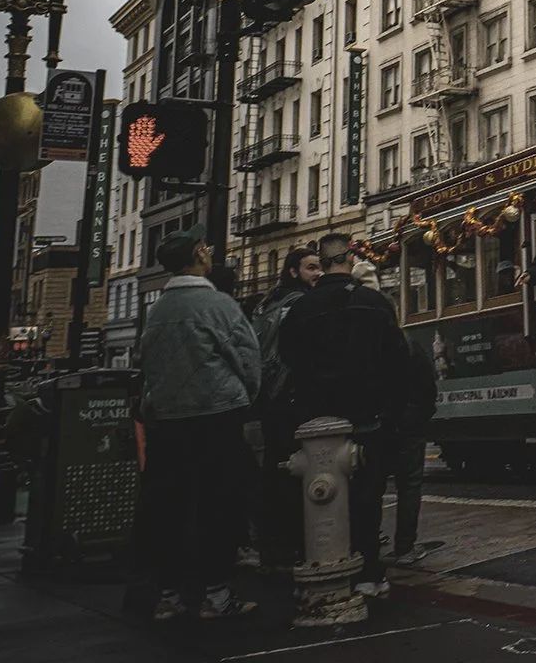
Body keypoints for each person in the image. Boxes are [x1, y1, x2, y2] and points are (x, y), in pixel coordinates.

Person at [279, 231, 410, 598]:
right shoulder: (374, 303)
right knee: (367, 497)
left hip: (317, 419)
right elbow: (398, 359)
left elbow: (287, 356)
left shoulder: (302, 309)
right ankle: (368, 569)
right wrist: (392, 411)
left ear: (322, 263)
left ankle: (324, 563)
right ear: (350, 259)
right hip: (367, 415)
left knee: (321, 497)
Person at [139, 233, 261, 621]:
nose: (209, 252)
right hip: (217, 413)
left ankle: (169, 595)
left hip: (170, 418)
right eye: (205, 249)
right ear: (198, 256)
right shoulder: (218, 304)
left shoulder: (158, 310)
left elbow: (148, 364)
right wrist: (244, 395)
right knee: (219, 504)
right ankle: (215, 594)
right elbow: (247, 356)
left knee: (170, 507)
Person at [250, 247, 320, 568]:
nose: (317, 273)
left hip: (267, 397)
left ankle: (272, 544)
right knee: (296, 472)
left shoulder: (266, 304)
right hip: (290, 395)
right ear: (294, 271)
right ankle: (293, 542)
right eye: (311, 268)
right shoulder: (300, 305)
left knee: (274, 470)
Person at [386, 323, 438, 567]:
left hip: (376, 423)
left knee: (371, 485)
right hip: (408, 421)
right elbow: (427, 383)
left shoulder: (362, 343)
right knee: (409, 484)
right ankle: (405, 547)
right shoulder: (406, 343)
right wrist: (420, 414)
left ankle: (365, 548)